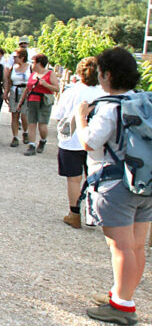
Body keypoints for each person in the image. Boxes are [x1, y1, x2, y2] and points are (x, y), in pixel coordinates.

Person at [75, 47, 150, 326]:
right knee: (137, 246)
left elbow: (89, 142)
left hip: (116, 183)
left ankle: (122, 306)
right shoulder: (143, 100)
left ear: (106, 75)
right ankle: (122, 294)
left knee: (120, 247)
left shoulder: (109, 107)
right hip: (144, 180)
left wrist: (81, 117)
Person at [52, 57, 104, 228]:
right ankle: (92, 214)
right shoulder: (103, 94)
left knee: (74, 179)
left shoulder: (71, 92)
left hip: (71, 141)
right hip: (96, 142)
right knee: (94, 179)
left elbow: (59, 116)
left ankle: (74, 214)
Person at [19, 54, 60, 157]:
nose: (31, 64)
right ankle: (31, 145)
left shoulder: (50, 73)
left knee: (42, 124)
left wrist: (46, 84)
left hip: (44, 101)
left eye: (33, 62)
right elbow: (27, 88)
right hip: (32, 100)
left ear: (39, 63)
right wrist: (21, 101)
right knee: (31, 123)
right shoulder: (33, 74)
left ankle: (43, 140)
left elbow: (57, 88)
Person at [2, 48, 31, 147]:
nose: (13, 59)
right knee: (14, 115)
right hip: (14, 91)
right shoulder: (12, 68)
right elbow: (9, 81)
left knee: (24, 115)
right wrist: (6, 92)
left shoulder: (30, 67)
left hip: (26, 92)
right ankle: (15, 137)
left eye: (16, 57)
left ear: (22, 57)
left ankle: (25, 132)